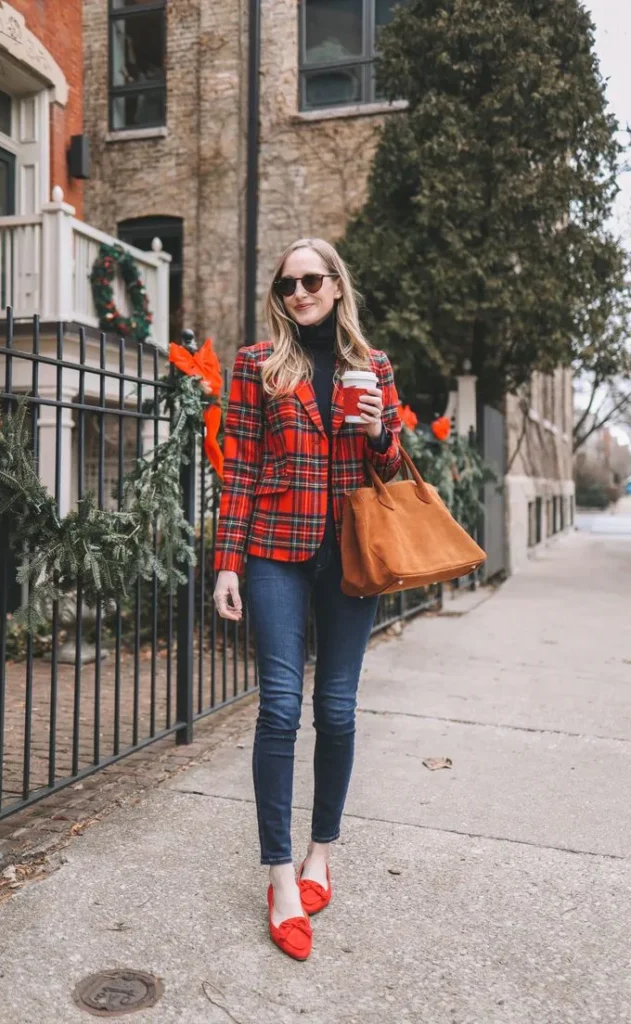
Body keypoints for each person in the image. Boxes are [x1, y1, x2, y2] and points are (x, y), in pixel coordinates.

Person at [213, 238, 402, 960]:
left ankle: (321, 852)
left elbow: (388, 465)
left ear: (335, 284)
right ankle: (278, 875)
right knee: (282, 708)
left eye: (311, 279)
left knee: (339, 709)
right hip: (274, 552)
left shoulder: (372, 366)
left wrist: (377, 427)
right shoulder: (256, 365)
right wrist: (227, 563)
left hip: (351, 554)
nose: (299, 292)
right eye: (287, 283)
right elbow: (239, 468)